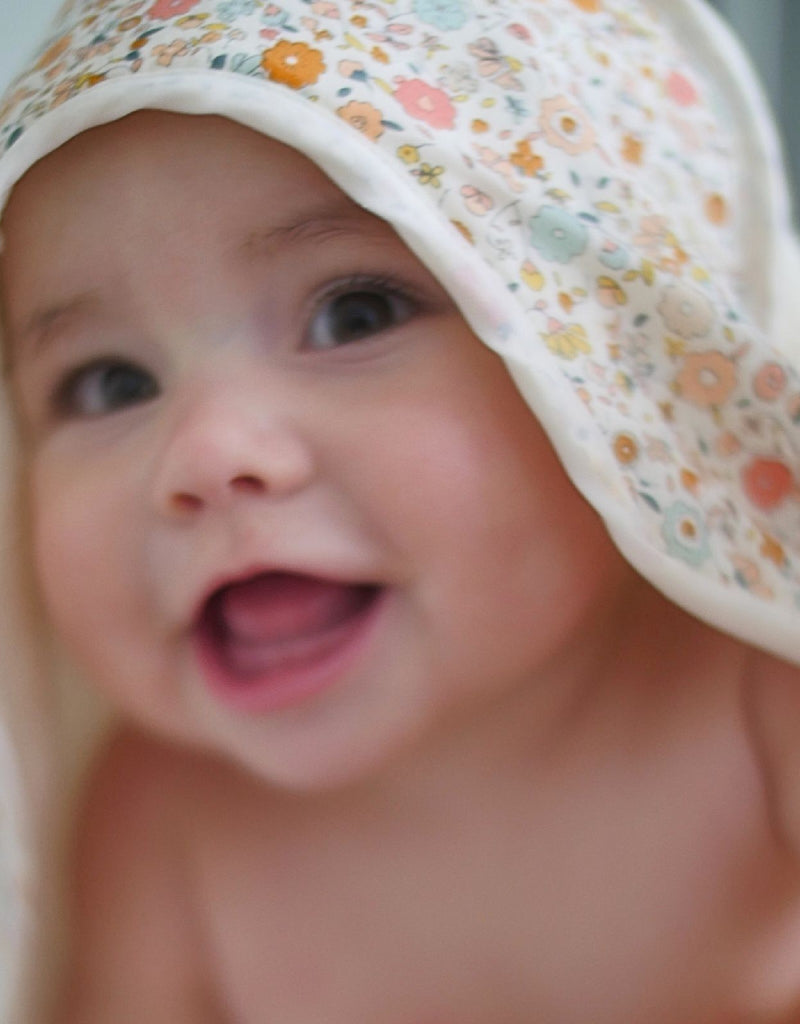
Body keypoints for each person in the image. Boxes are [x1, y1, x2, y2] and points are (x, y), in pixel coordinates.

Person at [2, 0, 800, 1020]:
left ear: (600, 368)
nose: (204, 455)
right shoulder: (162, 822)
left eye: (354, 314)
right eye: (109, 383)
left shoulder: (752, 703)